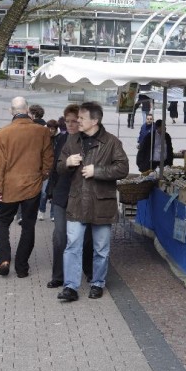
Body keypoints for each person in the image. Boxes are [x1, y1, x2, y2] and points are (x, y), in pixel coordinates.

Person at [57, 101, 128, 302]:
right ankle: (70, 287)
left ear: (94, 121)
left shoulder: (112, 142)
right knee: (72, 245)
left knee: (101, 248)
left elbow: (122, 168)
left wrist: (98, 171)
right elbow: (59, 167)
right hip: (77, 201)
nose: (77, 121)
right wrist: (67, 163)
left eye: (82, 118)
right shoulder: (72, 140)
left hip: (101, 203)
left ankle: (97, 283)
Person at [0, 97, 53, 278]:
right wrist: (41, 176)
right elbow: (48, 160)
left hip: (10, 186)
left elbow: (0, 165)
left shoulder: (3, 133)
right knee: (28, 225)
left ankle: (4, 259)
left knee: (3, 221)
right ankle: (21, 266)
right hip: (32, 185)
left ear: (11, 111)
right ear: (27, 110)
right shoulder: (42, 131)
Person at [45, 105, 93, 289]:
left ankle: (89, 270)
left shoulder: (88, 141)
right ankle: (58, 275)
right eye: (67, 121)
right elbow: (54, 168)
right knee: (59, 235)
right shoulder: (61, 140)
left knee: (86, 236)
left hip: (82, 195)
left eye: (74, 121)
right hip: (62, 194)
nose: (71, 124)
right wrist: (51, 191)